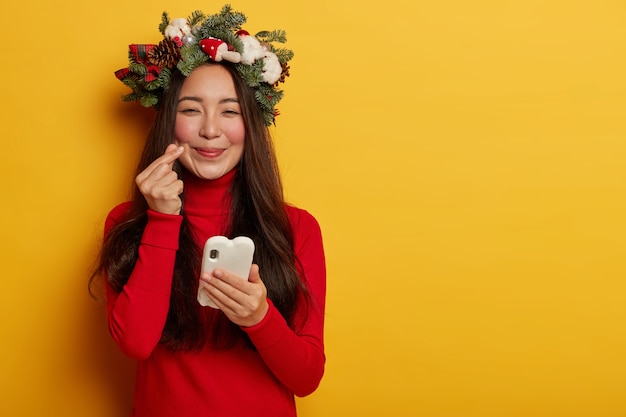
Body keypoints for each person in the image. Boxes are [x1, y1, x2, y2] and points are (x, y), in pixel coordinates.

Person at [90, 5, 326, 417]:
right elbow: (136, 343)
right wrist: (162, 219)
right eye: (191, 109)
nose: (211, 130)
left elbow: (307, 378)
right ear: (169, 121)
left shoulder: (296, 228)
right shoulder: (127, 223)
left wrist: (259, 317)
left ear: (251, 125)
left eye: (230, 111)